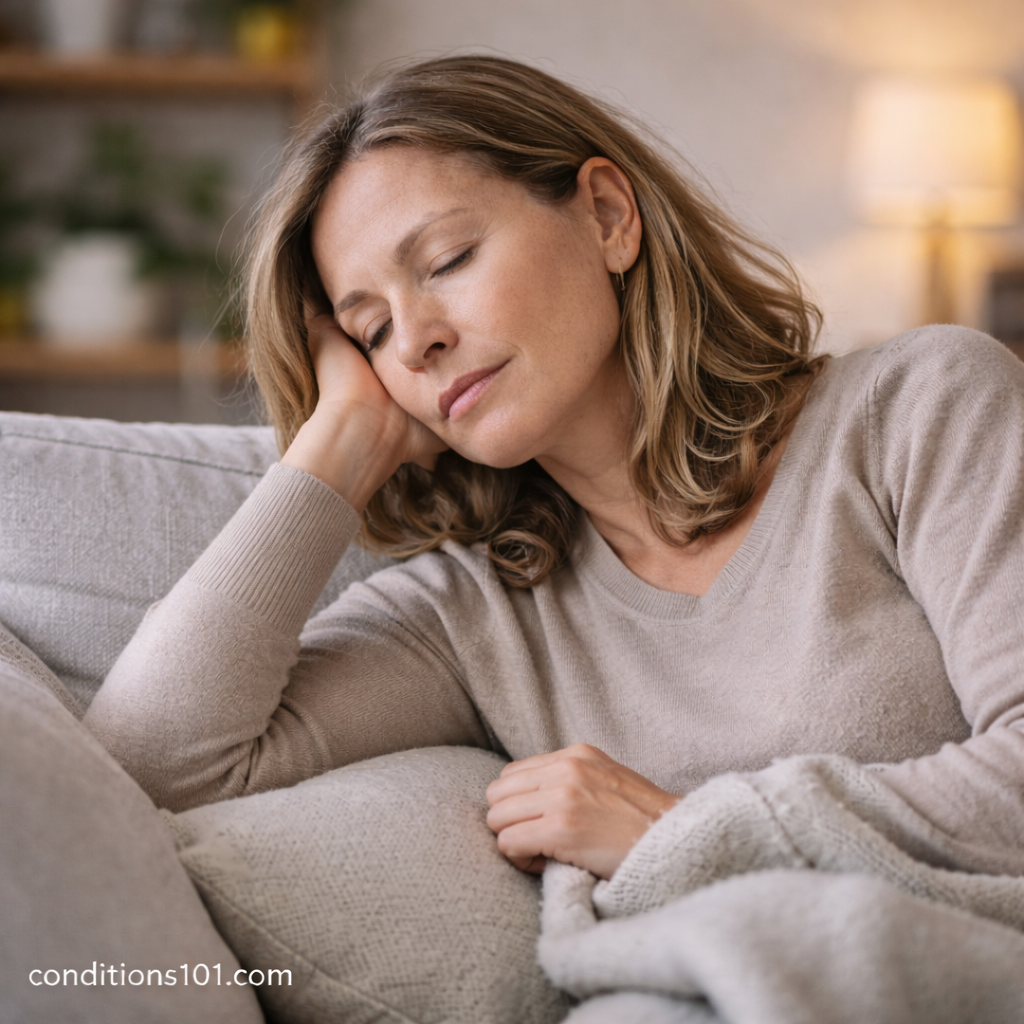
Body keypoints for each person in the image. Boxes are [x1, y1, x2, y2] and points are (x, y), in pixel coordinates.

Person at [84, 55, 1024, 883]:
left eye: (446, 259)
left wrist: (676, 829)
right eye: (371, 331)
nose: (415, 341)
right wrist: (337, 443)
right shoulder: (477, 616)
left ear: (609, 217)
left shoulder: (918, 410)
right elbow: (155, 764)